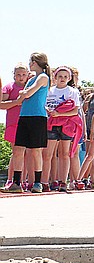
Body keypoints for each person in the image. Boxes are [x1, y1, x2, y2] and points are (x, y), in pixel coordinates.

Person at [2, 53, 51, 193]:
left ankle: (37, 182)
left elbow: (28, 94)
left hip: (37, 117)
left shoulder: (43, 77)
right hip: (24, 116)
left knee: (35, 151)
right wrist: (23, 93)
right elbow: (23, 94)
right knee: (18, 150)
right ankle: (17, 183)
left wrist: (24, 93)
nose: (29, 64)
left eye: (31, 61)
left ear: (35, 62)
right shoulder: (32, 78)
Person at [43, 66, 83, 192]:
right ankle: (44, 181)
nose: (62, 79)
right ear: (55, 77)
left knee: (64, 153)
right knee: (48, 154)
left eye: (66, 76)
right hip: (52, 124)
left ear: (69, 78)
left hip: (67, 125)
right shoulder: (49, 91)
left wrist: (59, 114)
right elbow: (43, 104)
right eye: (60, 76)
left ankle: (62, 181)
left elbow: (75, 110)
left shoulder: (72, 91)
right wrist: (49, 111)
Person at [1, 64, 27, 188]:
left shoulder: (31, 87)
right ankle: (11, 180)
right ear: (14, 75)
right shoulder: (9, 87)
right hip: (13, 123)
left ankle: (23, 180)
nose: (21, 77)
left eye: (23, 74)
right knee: (16, 152)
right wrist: (16, 102)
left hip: (28, 123)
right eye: (18, 74)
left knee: (27, 153)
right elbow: (1, 104)